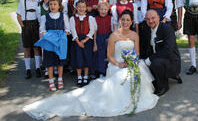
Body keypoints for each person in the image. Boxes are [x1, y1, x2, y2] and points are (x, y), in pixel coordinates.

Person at [23, 10, 159, 120]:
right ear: (119, 21)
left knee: (139, 74)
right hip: (116, 65)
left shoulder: (135, 35)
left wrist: (131, 62)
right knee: (120, 81)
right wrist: (119, 64)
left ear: (131, 21)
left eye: (128, 20)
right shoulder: (114, 36)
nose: (125, 22)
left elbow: (137, 53)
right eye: (123, 19)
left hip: (130, 63)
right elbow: (109, 56)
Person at [140, 9, 182, 96]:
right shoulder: (146, 30)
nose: (150, 21)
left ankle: (163, 86)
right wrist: (141, 60)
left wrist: (149, 59)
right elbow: (143, 47)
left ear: (158, 18)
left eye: (153, 18)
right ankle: (157, 79)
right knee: (143, 63)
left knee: (156, 63)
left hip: (171, 61)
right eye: (148, 19)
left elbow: (168, 50)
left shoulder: (167, 29)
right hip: (157, 58)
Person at [37, 0, 70, 91]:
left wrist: (61, 37)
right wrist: (49, 37)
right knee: (50, 61)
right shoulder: (45, 17)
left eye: (55, 4)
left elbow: (67, 29)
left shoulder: (63, 16)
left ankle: (60, 79)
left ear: (59, 6)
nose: (52, 6)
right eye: (51, 4)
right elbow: (42, 30)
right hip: (49, 41)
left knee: (60, 61)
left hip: (60, 41)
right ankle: (51, 81)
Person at [17, 0, 42, 79]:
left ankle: (37, 68)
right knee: (27, 48)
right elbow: (18, 15)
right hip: (26, 25)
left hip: (36, 26)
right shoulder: (23, 1)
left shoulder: (39, 2)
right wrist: (23, 26)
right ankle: (28, 69)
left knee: (36, 48)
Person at [70, 0, 96, 86]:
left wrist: (85, 40)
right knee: (78, 58)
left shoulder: (90, 18)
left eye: (83, 7)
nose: (81, 8)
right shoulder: (72, 18)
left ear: (86, 8)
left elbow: (92, 30)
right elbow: (73, 30)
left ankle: (85, 76)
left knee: (86, 58)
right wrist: (78, 41)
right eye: (79, 7)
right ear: (76, 8)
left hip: (87, 40)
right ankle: (79, 77)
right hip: (76, 40)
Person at [93, 2, 113, 78]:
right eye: (101, 9)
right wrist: (95, 43)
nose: (103, 11)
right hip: (99, 38)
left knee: (108, 55)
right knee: (100, 55)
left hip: (108, 37)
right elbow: (95, 32)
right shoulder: (95, 19)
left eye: (105, 9)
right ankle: (101, 71)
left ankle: (108, 71)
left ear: (108, 10)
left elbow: (112, 30)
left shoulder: (110, 18)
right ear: (98, 10)